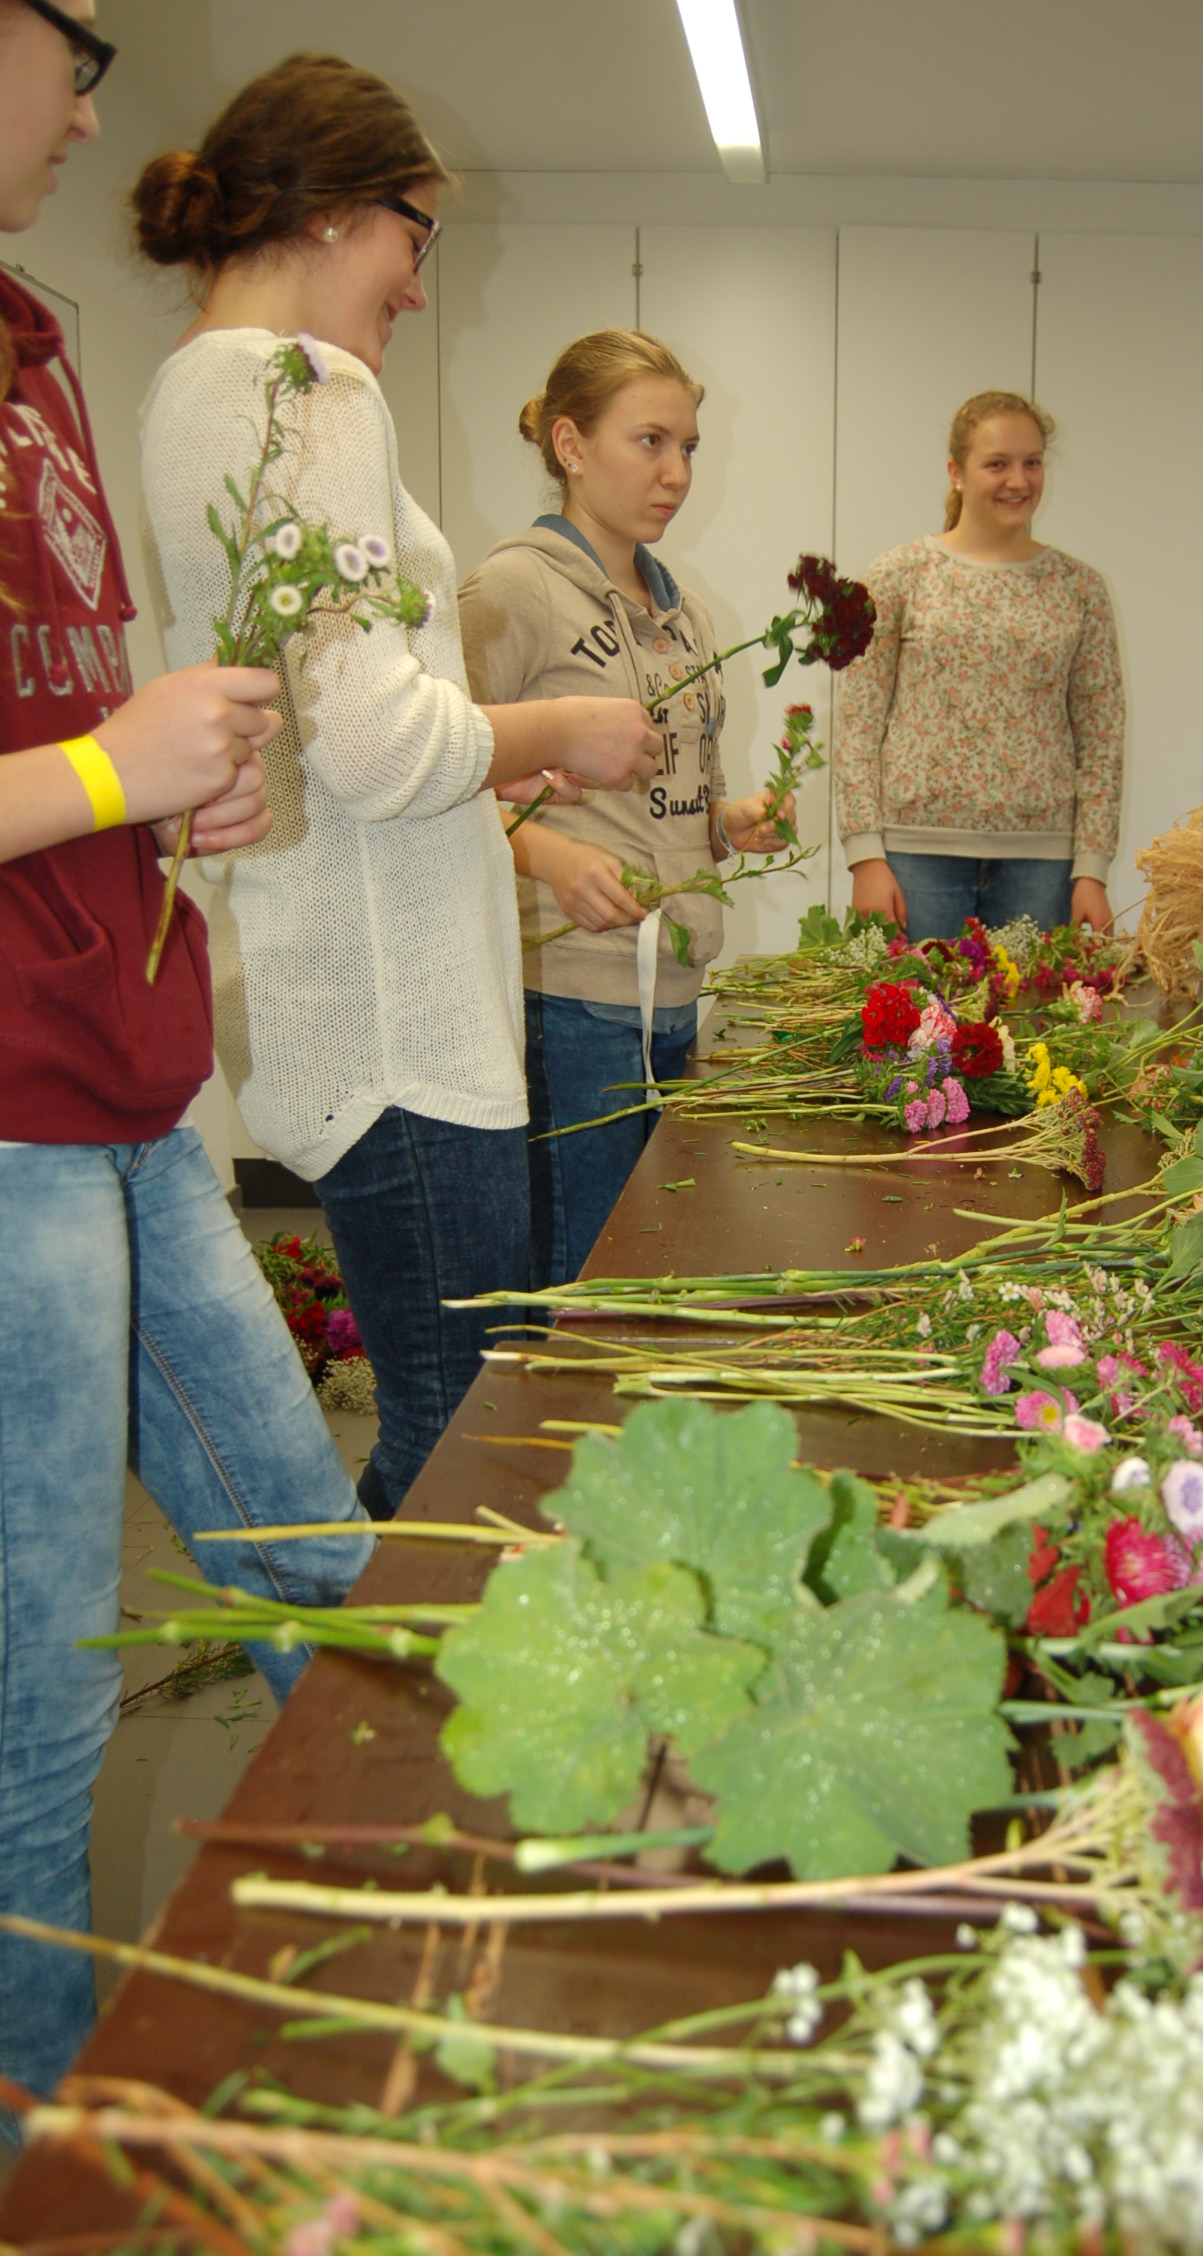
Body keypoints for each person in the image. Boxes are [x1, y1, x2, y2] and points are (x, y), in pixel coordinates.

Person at [0, 0, 375, 2124]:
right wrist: (94, 774)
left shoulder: (34, 349)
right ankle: (48, 2168)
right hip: (7, 1124)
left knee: (315, 1562)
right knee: (41, 1710)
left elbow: (53, 730)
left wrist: (151, 793)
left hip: (115, 1094)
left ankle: (410, 2016)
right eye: (72, 44)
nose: (90, 100)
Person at [134, 60, 663, 1518]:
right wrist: (563, 725)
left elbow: (313, 733)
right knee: (462, 1443)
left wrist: (489, 747)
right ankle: (373, 1677)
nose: (419, 285)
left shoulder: (197, 387)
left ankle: (357, 1662)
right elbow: (373, 751)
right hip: (398, 1026)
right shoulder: (308, 390)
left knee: (444, 1421)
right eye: (414, 236)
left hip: (340, 993)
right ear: (330, 210)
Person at [458, 330, 790, 1286]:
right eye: (650, 441)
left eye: (689, 447)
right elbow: (433, 778)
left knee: (652, 1266)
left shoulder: (687, 616)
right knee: (587, 1283)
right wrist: (551, 858)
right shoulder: (513, 590)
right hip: (571, 998)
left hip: (673, 992)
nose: (676, 472)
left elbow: (676, 794)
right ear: (570, 445)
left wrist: (726, 823)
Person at [836, 388, 1124, 943]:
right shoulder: (899, 574)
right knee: (917, 1002)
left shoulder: (1079, 587)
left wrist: (1092, 868)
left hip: (1042, 864)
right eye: (997, 464)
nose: (1018, 480)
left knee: (1033, 1003)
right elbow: (858, 723)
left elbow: (1102, 734)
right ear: (956, 472)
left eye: (1032, 463)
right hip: (914, 856)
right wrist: (865, 855)